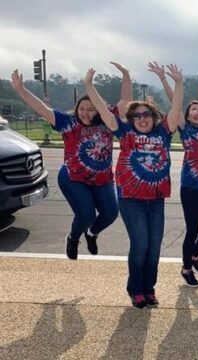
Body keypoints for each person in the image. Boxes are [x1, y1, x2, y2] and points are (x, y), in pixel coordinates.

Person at [83, 64, 184, 309]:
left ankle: (149, 289)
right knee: (140, 243)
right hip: (131, 198)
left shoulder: (163, 133)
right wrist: (88, 85)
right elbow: (105, 113)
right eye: (136, 115)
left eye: (146, 115)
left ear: (154, 118)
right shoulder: (125, 131)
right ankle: (135, 289)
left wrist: (178, 83)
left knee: (154, 246)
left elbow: (176, 108)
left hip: (156, 198)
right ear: (131, 119)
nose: (141, 119)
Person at [9, 62, 131, 260]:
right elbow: (40, 108)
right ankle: (73, 238)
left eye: (91, 109)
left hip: (103, 180)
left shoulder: (109, 122)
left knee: (110, 213)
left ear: (99, 111)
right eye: (82, 108)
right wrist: (20, 89)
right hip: (73, 178)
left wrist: (126, 74)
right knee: (87, 215)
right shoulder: (67, 122)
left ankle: (91, 233)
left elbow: (126, 101)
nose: (85, 113)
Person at [148, 61, 198, 287]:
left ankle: (194, 254)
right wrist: (164, 79)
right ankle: (186, 268)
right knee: (192, 230)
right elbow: (175, 104)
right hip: (190, 189)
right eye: (194, 110)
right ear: (187, 117)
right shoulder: (186, 129)